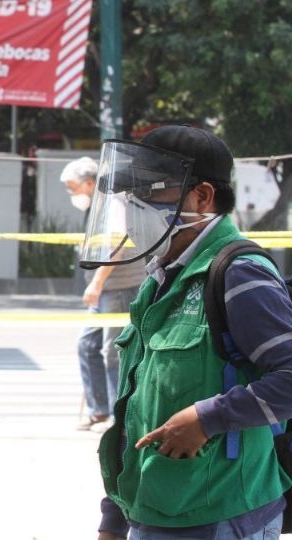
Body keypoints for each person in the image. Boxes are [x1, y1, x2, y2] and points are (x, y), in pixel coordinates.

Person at [82, 126, 292, 539]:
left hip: (220, 514)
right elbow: (135, 405)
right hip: (152, 508)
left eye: (153, 191)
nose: (135, 206)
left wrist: (207, 418)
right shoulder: (161, 279)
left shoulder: (239, 272)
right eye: (131, 195)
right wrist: (114, 515)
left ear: (203, 197)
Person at [60, 157, 146, 431]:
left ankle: (114, 415)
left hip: (118, 286)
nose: (72, 194)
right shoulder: (99, 205)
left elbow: (117, 244)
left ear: (88, 183)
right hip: (106, 288)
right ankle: (98, 410)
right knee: (87, 345)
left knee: (113, 352)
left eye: (72, 187)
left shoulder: (113, 202)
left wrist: (96, 283)